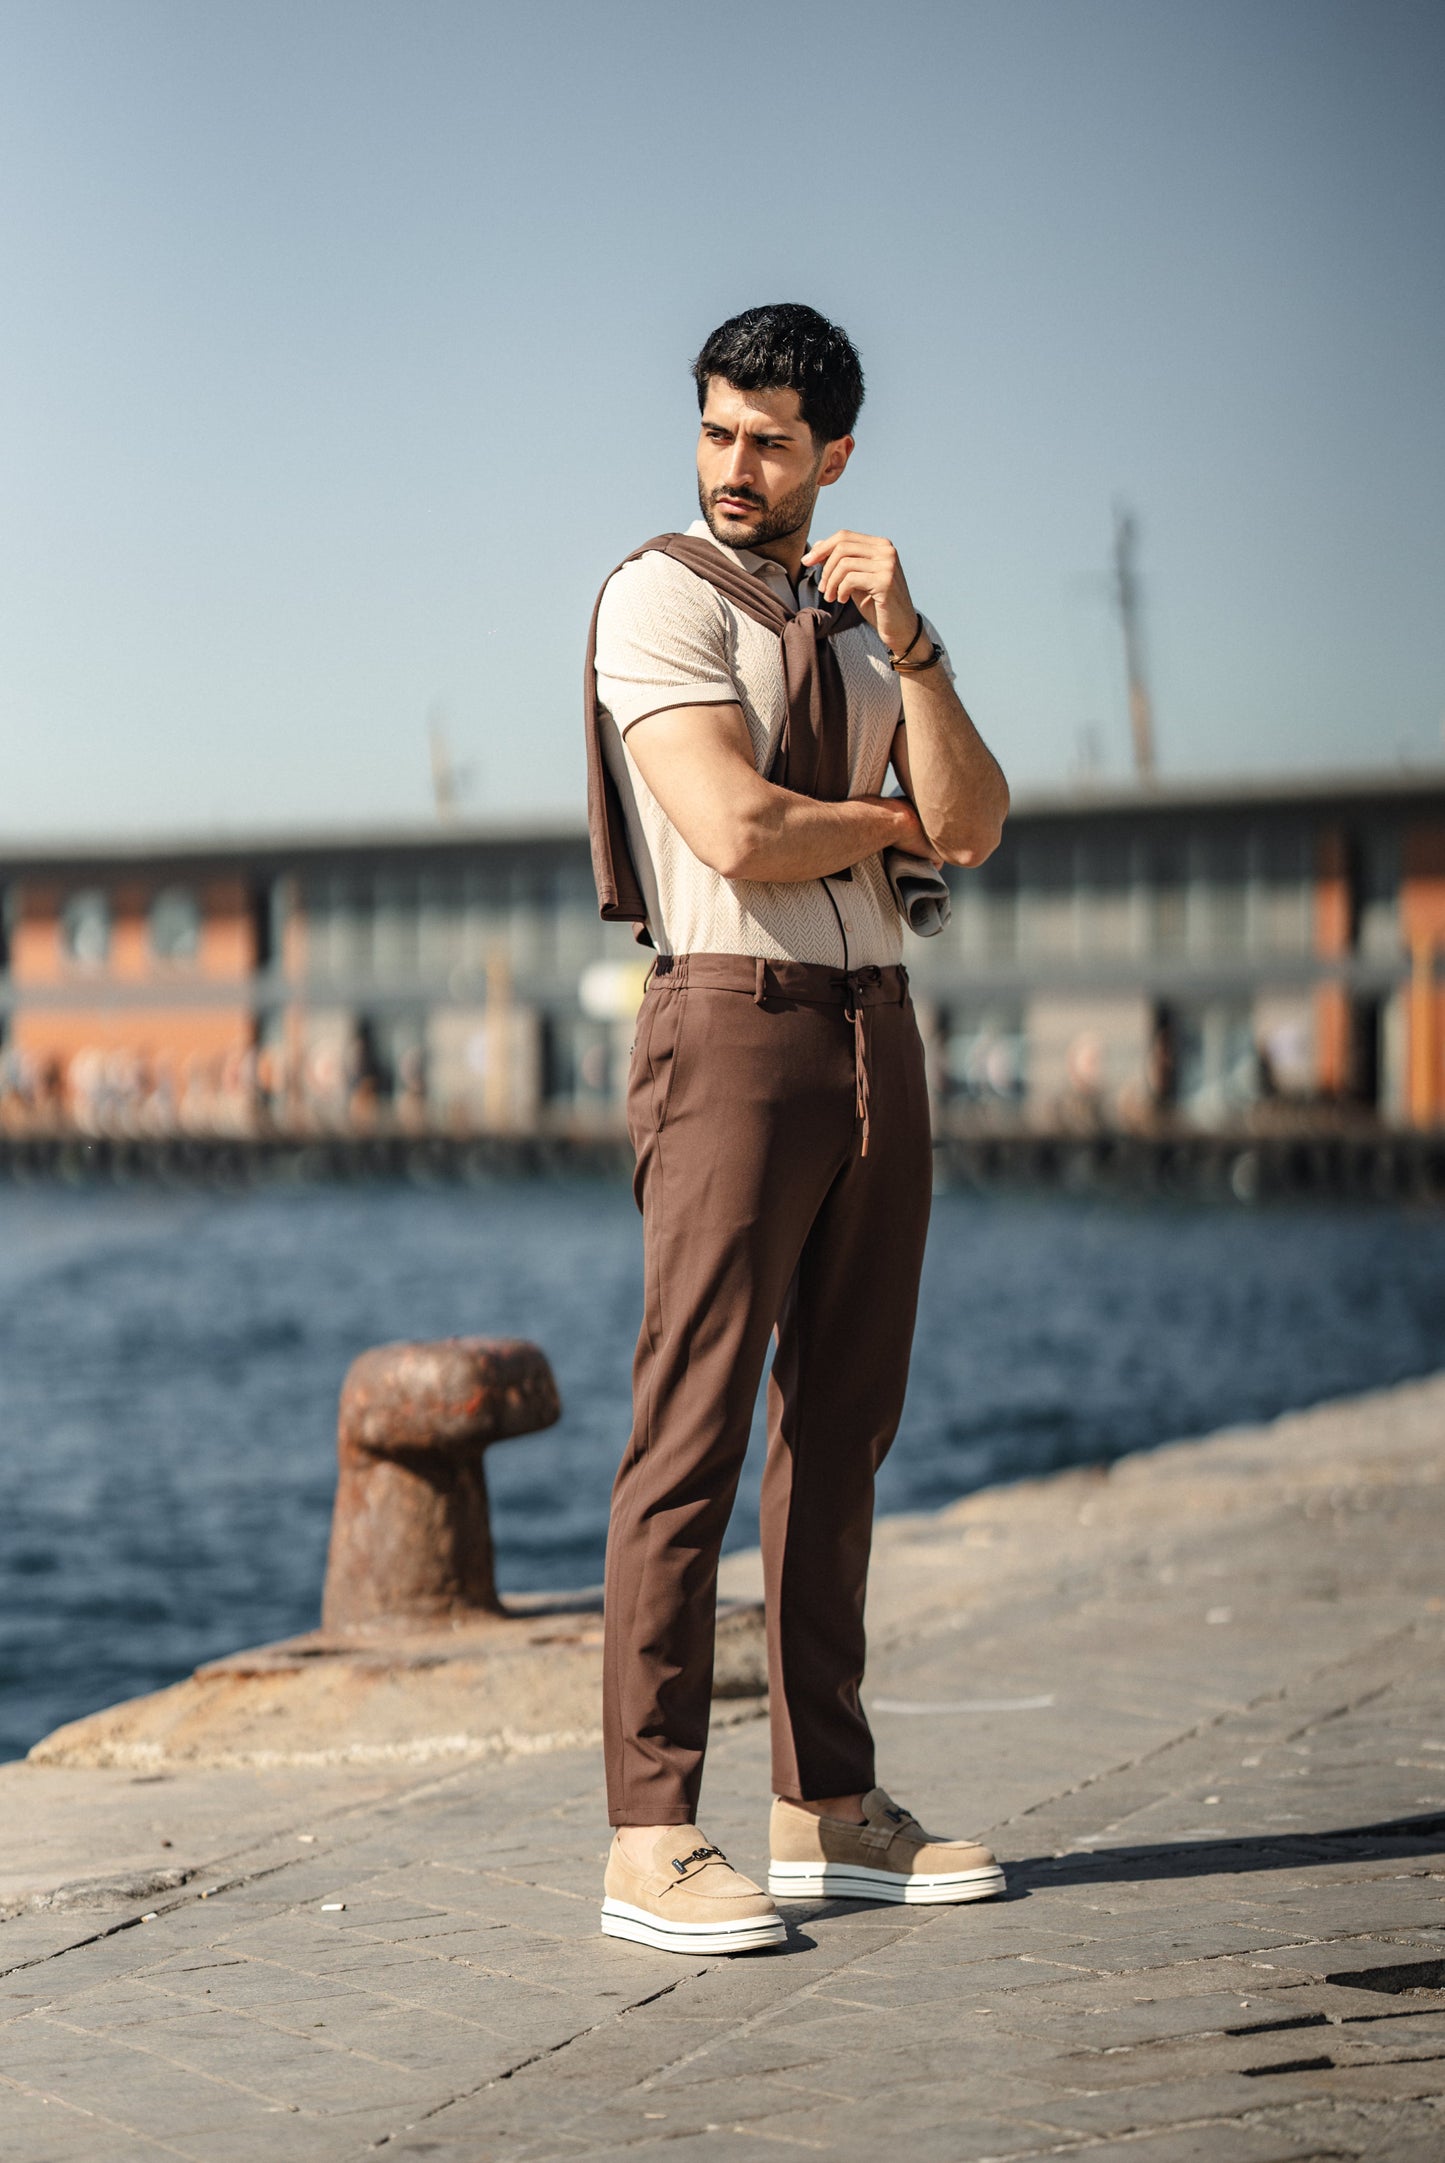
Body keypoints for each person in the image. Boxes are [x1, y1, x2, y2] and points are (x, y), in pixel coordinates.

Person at [585, 303, 1011, 1955]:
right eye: (714, 431)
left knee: (842, 1435)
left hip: (875, 1034)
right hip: (731, 1026)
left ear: (835, 454)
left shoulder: (857, 626)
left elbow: (969, 824)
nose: (734, 466)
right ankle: (646, 1838)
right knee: (684, 1437)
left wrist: (914, 650)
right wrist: (889, 822)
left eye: (768, 440)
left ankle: (825, 1805)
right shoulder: (656, 596)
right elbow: (734, 824)